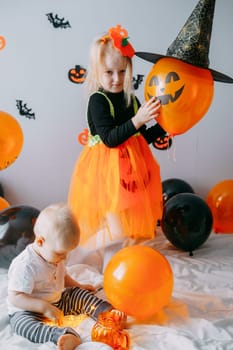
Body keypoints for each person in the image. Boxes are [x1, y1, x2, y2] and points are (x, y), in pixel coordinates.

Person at [68, 24, 170, 248]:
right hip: (106, 174)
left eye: (122, 71)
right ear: (97, 72)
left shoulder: (131, 100)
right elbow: (110, 139)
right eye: (109, 72)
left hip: (131, 173)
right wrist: (138, 119)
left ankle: (113, 263)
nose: (117, 78)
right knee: (117, 229)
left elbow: (142, 137)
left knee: (129, 228)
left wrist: (166, 124)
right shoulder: (98, 100)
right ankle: (77, 254)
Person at [7, 202, 126, 350]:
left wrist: (79, 286)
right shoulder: (26, 265)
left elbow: (63, 277)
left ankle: (106, 313)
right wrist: (43, 307)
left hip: (56, 302)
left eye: (66, 253)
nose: (64, 258)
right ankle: (61, 335)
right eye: (60, 253)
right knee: (24, 326)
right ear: (40, 242)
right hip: (28, 310)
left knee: (78, 295)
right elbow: (16, 297)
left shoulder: (55, 257)